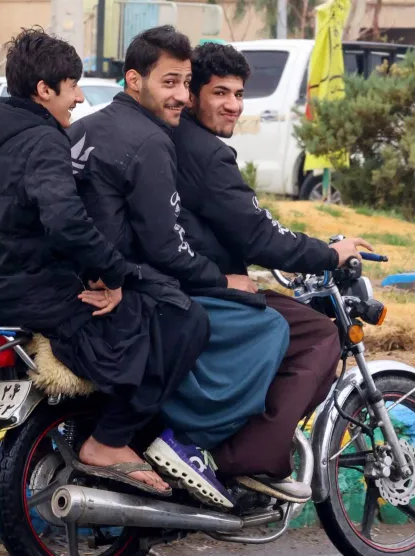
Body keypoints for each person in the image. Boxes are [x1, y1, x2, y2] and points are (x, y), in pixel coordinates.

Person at [0, 27, 208, 497]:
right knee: (183, 318)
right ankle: (110, 440)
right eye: (73, 86)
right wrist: (116, 275)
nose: (80, 98)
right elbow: (66, 221)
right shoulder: (43, 141)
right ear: (45, 91)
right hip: (40, 296)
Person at [68, 25, 287, 510]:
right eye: (170, 83)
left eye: (185, 84)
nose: (180, 97)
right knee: (197, 320)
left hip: (74, 278)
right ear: (133, 80)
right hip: (115, 279)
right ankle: (186, 442)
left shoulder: (83, 129)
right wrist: (220, 278)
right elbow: (166, 247)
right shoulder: (150, 141)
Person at [170, 42, 373, 503]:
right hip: (206, 288)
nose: (233, 105)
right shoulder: (206, 153)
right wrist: (329, 253)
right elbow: (259, 235)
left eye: (239, 94)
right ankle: (250, 460)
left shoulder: (170, 138)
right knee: (319, 336)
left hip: (184, 279)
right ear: (193, 93)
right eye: (220, 92)